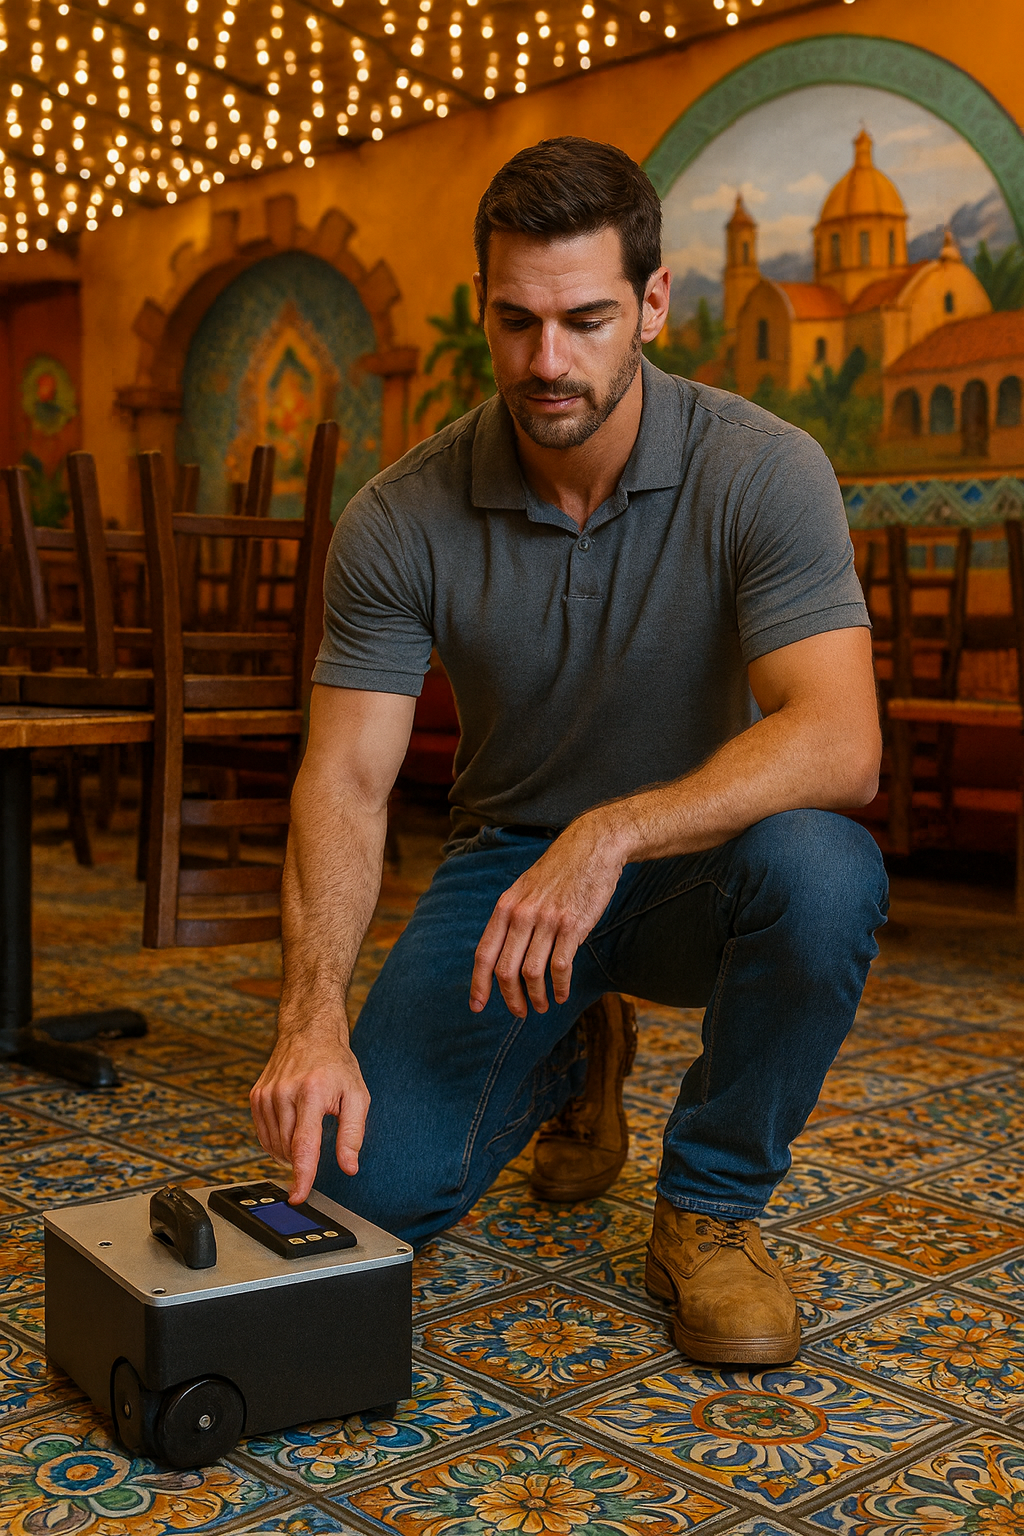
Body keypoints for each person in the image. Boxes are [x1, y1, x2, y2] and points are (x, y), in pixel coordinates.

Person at [250, 136, 887, 1366]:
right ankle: (570, 1053)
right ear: (480, 308)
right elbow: (345, 779)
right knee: (360, 1201)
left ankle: (709, 1211)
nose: (549, 362)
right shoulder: (397, 515)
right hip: (510, 878)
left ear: (652, 302)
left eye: (586, 319)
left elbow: (841, 741)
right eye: (515, 321)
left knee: (826, 869)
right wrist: (309, 1017)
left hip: (704, 861)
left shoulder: (762, 467)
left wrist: (617, 829)